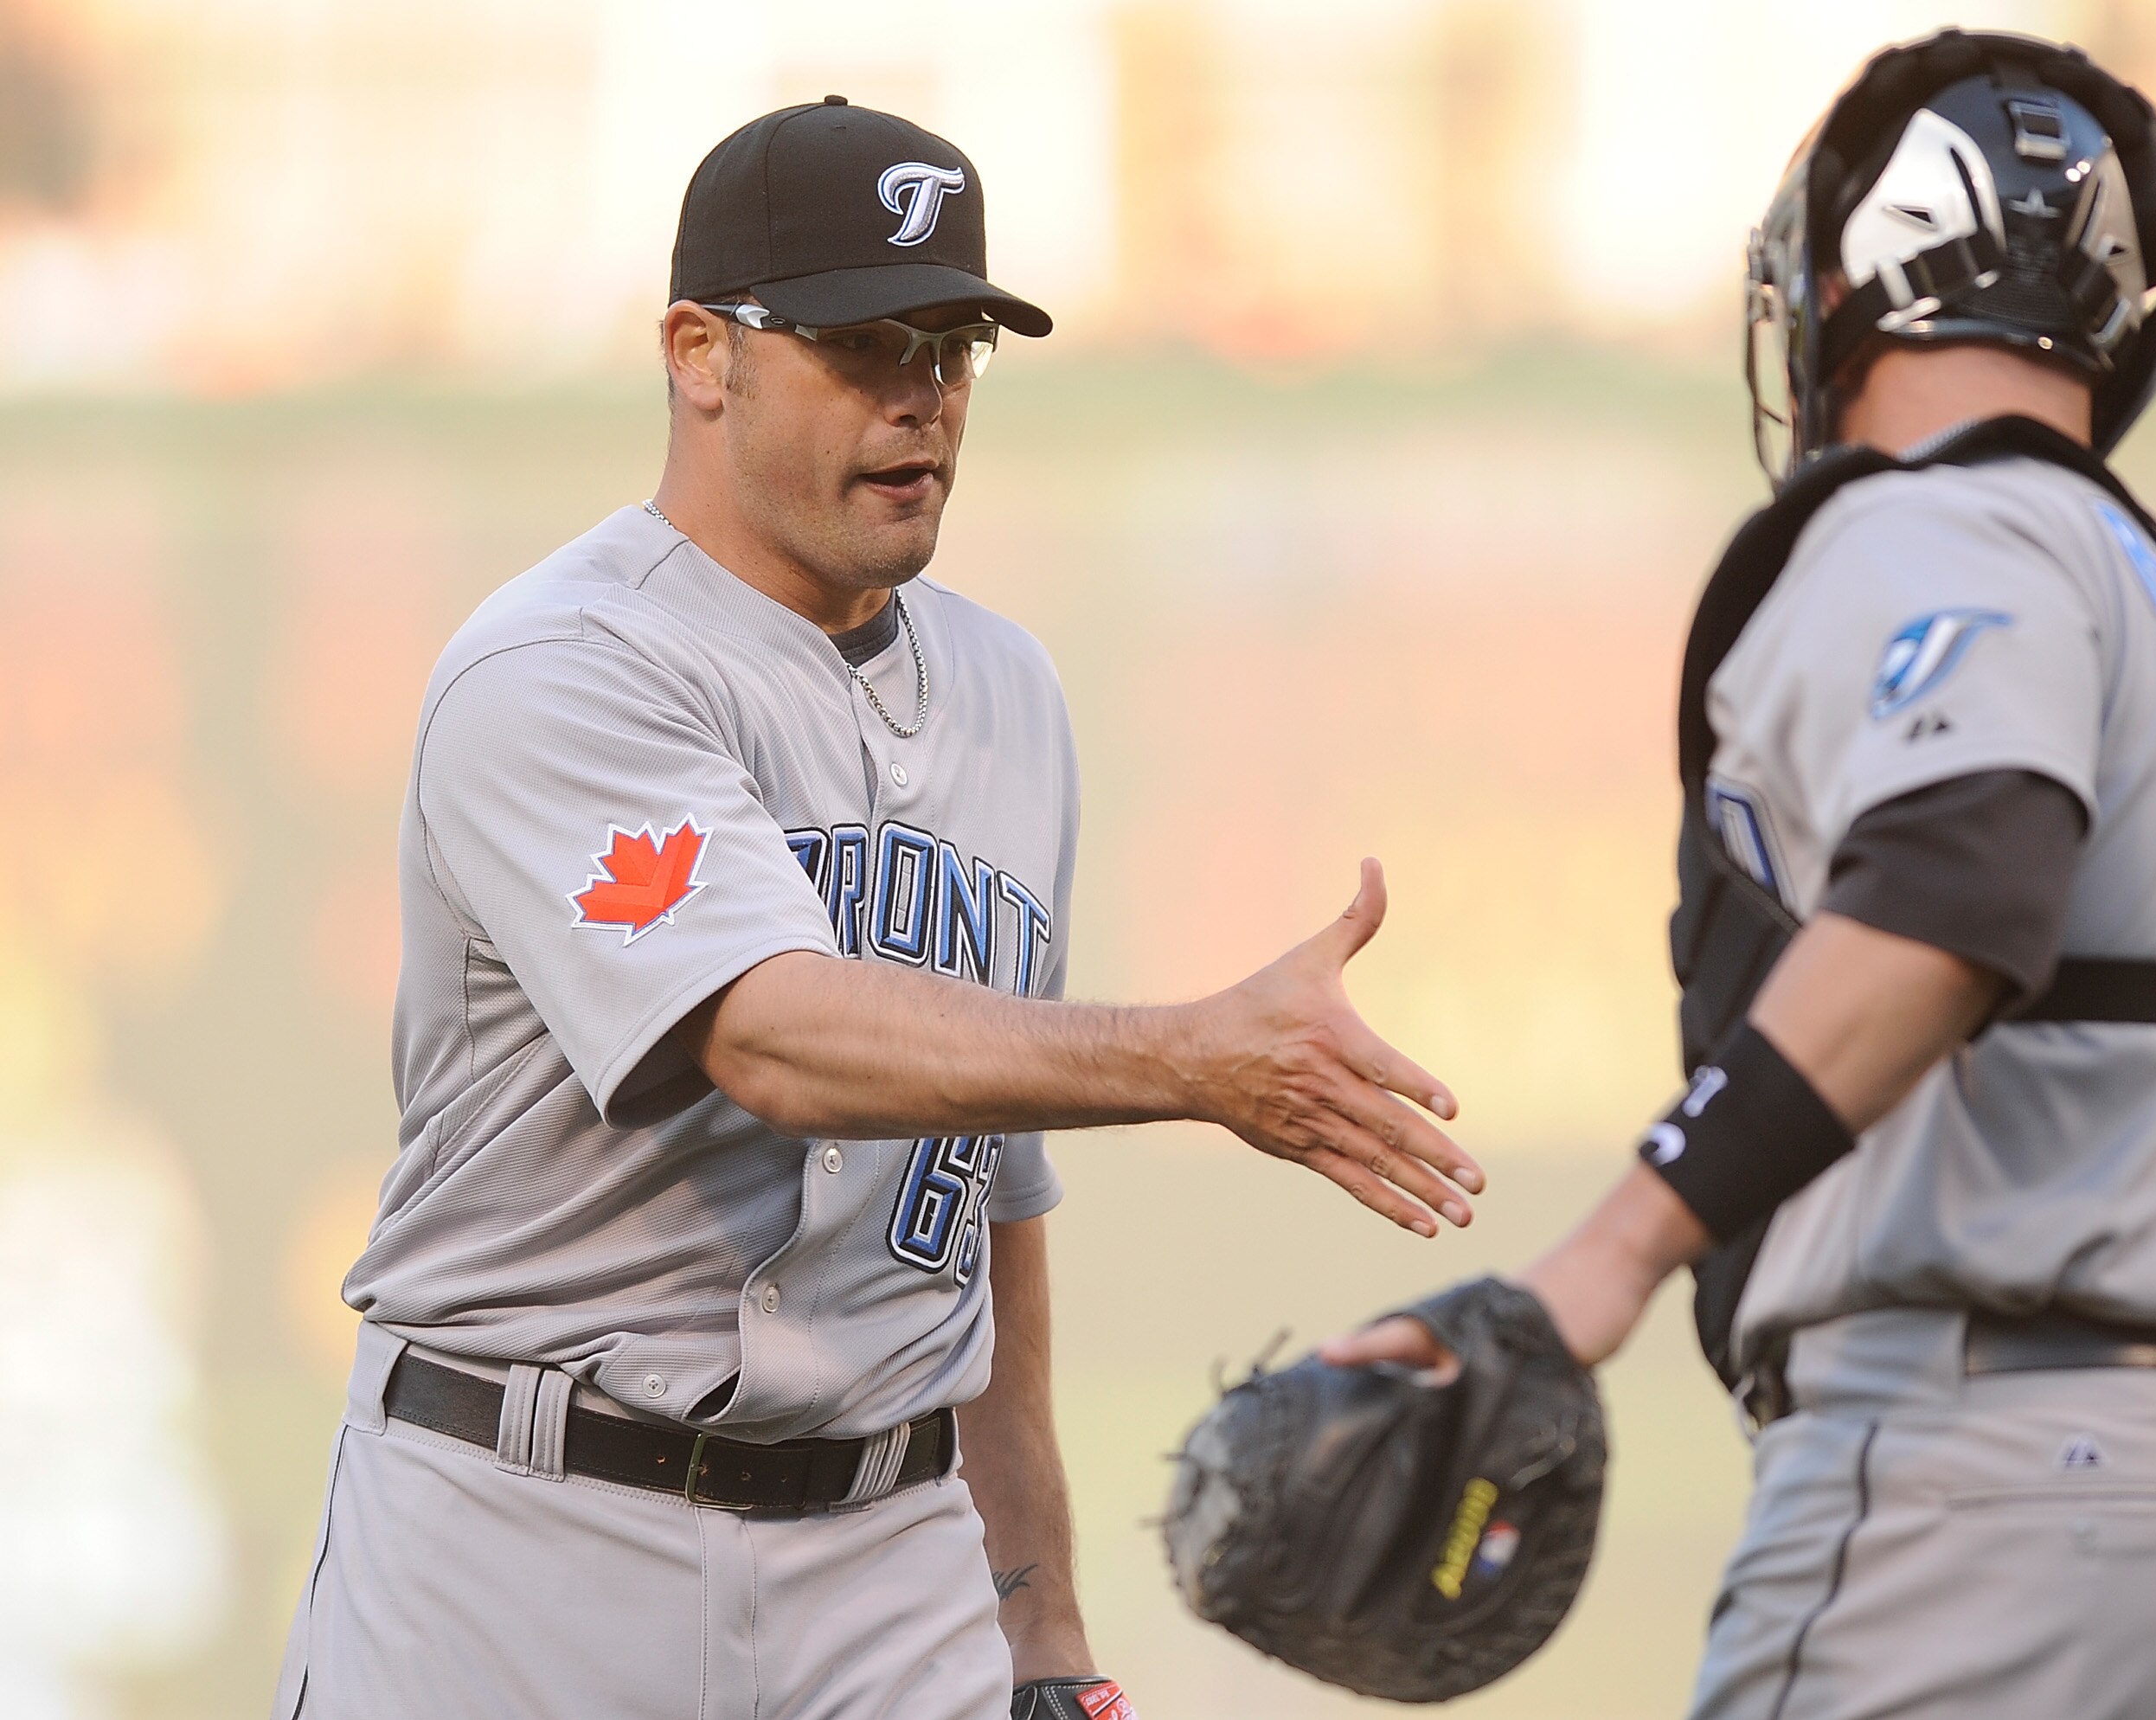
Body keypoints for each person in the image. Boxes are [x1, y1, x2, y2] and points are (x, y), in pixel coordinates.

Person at [273, 98, 1479, 1720]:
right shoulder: (559, 667)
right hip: (527, 1531)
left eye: (956, 349)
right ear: (702, 354)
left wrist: (1041, 1617)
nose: (921, 400)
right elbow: (773, 1038)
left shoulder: (1007, 692)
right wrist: (1191, 1058)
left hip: (886, 1556)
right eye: (863, 345)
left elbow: (984, 1195)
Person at [1327, 31, 2156, 1718]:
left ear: (1861, 275)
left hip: (1994, 1493)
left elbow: (1957, 896)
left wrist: (1598, 1263)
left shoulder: (1930, 530)